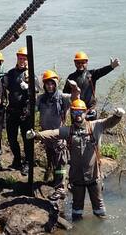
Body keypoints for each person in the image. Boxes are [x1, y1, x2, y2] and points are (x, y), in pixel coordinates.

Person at [27, 99, 125, 220]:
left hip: (94, 176)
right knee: (77, 211)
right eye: (74, 112)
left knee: (100, 210)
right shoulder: (68, 130)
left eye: (80, 112)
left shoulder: (96, 126)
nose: (77, 115)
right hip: (77, 177)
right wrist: (36, 135)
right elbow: (53, 132)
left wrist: (117, 115)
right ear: (72, 114)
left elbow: (110, 122)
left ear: (85, 112)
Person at [36, 70, 80, 200]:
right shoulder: (41, 98)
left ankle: (60, 188)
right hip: (46, 136)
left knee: (61, 162)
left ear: (56, 84)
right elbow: (33, 107)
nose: (50, 86)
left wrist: (75, 88)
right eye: (47, 84)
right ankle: (55, 181)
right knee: (52, 160)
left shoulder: (62, 97)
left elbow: (75, 98)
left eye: (52, 84)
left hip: (59, 135)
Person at [63, 51, 120, 120]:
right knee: (77, 130)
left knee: (92, 129)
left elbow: (101, 71)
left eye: (83, 62)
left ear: (87, 63)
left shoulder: (91, 75)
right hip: (77, 110)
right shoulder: (71, 77)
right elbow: (65, 95)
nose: (80, 64)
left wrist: (111, 66)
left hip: (90, 110)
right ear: (75, 63)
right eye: (78, 63)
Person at [4, 47, 34, 174]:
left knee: (27, 139)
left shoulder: (31, 75)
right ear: (17, 58)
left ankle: (27, 162)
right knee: (11, 138)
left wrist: (29, 88)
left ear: (28, 60)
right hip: (12, 111)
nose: (22, 60)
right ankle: (17, 160)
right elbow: (3, 87)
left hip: (25, 113)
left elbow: (36, 92)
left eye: (24, 58)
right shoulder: (11, 74)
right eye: (20, 58)